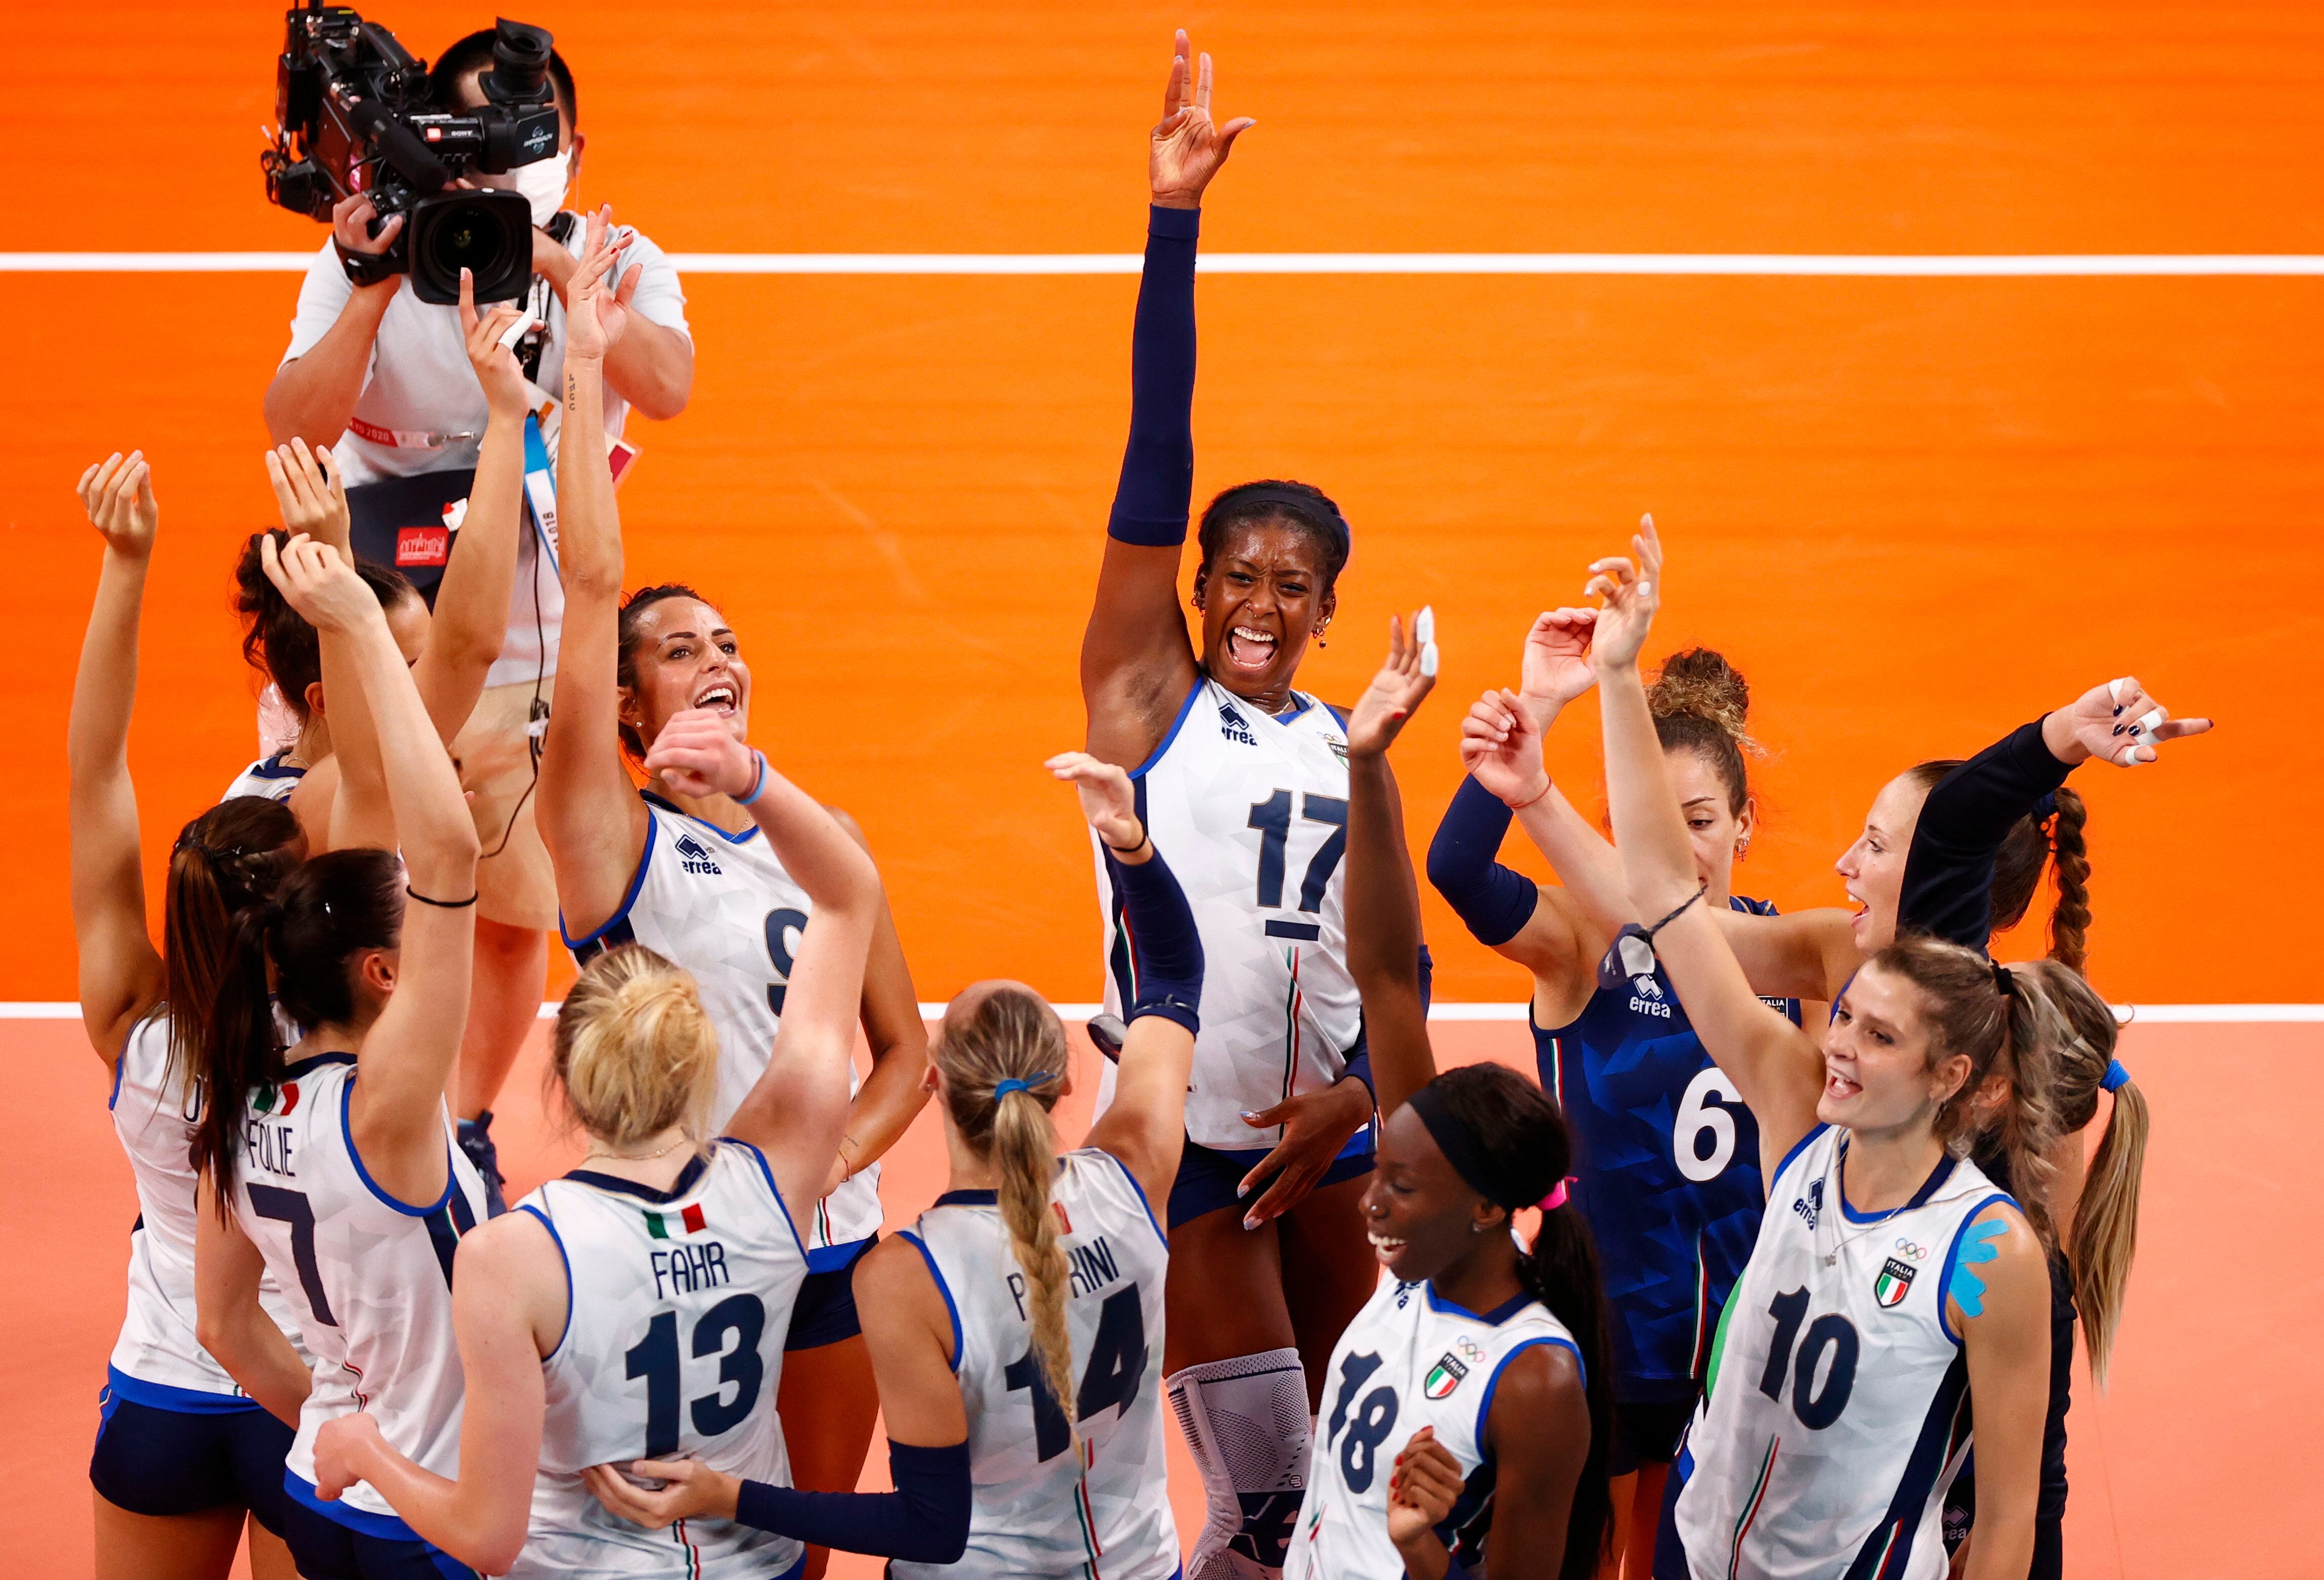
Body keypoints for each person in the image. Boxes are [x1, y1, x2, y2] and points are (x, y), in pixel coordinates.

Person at [537, 214, 928, 1572]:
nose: (717, 660)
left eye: (728, 643)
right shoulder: (609, 846)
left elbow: (908, 1054)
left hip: (821, 1252)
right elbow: (587, 597)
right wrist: (582, 369)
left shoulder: (816, 840)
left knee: (801, 1545)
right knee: (673, 1545)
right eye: (680, 651)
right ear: (632, 712)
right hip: (679, 1249)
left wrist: (821, 1177)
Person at [1579, 521, 2080, 1580]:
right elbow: (1666, 895)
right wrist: (1619, 679)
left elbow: (2002, 1526)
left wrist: (2055, 741)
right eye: (1846, 1017)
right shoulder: (1795, 1115)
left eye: (1875, 1033)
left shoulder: (1989, 1251)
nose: (1840, 1043)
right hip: (1690, 1557)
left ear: (1952, 1078)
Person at [584, 750, 1207, 1578]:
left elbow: (930, 1527)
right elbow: (1173, 976)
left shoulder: (908, 1278)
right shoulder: (1134, 1175)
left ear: (933, 1080)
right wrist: (1130, 846)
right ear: (1064, 1076)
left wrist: (727, 1496)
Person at [263, 25, 695, 1211]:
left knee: (509, 925)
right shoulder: (378, 256)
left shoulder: (614, 256)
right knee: (330, 892)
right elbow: (290, 418)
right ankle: (303, 1116)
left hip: (523, 651)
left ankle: (463, 1124)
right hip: (377, 636)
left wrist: (572, 282)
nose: (503, 174)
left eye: (531, 147)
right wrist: (363, 290)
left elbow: (668, 384)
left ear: (572, 149)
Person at [1079, 34, 1405, 1575]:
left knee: (1382, 1482)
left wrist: (1354, 1099)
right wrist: (1172, 224)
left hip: (1330, 1139)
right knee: (1267, 1513)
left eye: (1293, 584)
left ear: (1326, 608)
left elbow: (1385, 965)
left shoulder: (1351, 740)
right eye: (1236, 576)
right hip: (1191, 1151)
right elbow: (1156, 457)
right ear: (1195, 586)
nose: (1258, 602)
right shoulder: (1148, 700)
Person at [305, 721, 885, 1577]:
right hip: (754, 1562)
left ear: (565, 1082)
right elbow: (847, 895)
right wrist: (750, 775)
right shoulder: (780, 1181)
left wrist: (363, 1452)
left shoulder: (509, 1254)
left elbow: (487, 1539)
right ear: (700, 1065)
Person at [1429, 623, 1800, 1579]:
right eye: (1657, 823)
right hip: (1601, 1332)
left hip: (1732, 1348)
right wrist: (1538, 712)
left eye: (1705, 821)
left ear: (1745, 824)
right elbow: (1458, 873)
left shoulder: (1785, 960)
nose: (1681, 849)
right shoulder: (1583, 944)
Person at [189, 531, 493, 1580]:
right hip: (433, 1509)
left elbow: (224, 1320)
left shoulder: (237, 1099)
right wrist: (363, 627)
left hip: (330, 1494)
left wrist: (340, 1415)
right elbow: (450, 851)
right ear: (381, 975)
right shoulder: (392, 1107)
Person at [1286, 614, 1614, 1580]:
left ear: (1482, 1207)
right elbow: (1386, 972)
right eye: (1384, 1178)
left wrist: (1420, 1548)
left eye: (1400, 1189)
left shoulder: (1535, 1377)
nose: (1370, 1202)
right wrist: (1365, 764)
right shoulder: (1414, 1277)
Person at [67, 451, 305, 1580]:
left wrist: (128, 563)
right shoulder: (343, 1048)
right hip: (307, 1396)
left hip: (164, 1394)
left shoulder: (135, 1023)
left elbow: (97, 775)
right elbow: (364, 766)